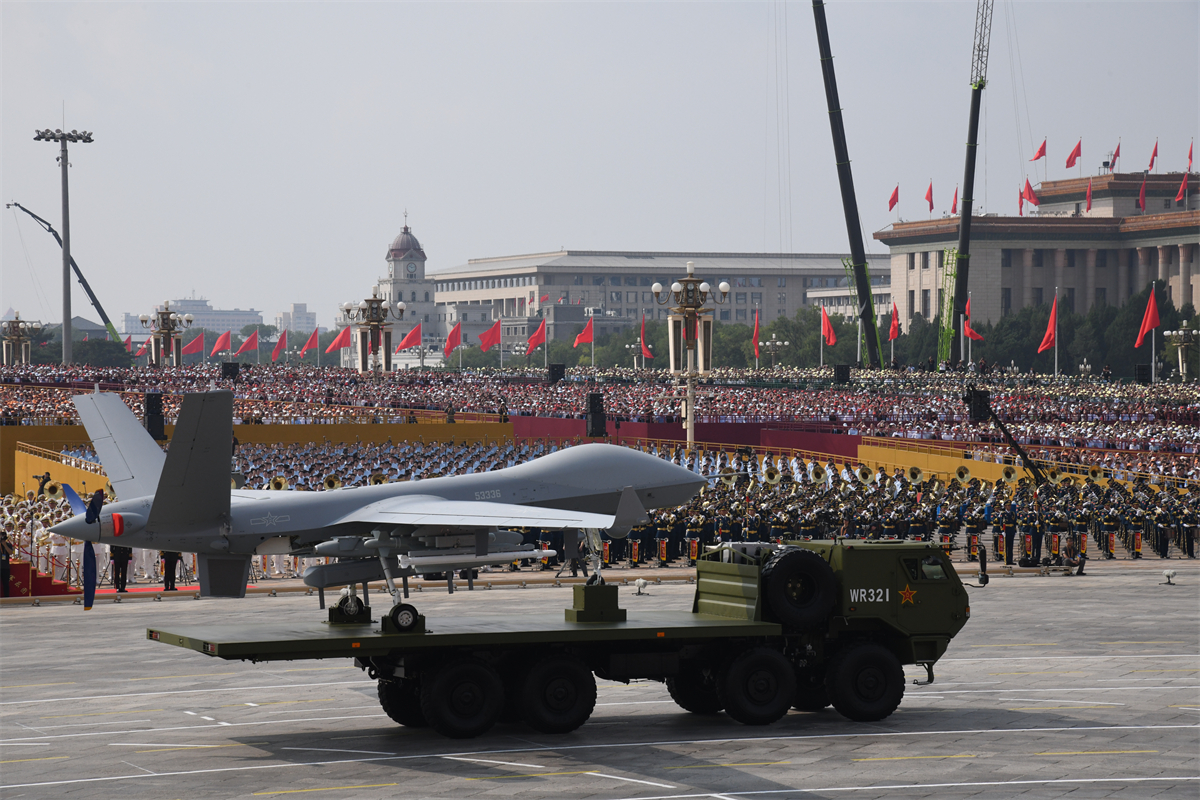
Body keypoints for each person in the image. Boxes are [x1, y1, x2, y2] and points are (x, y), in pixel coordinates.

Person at [0, 530, 15, 597]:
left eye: (4, 535)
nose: (2, 537)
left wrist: (5, 545)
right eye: (1, 535)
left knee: (6, 584)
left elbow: (11, 553)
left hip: (5, 567)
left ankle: (6, 597)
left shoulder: (8, 544)